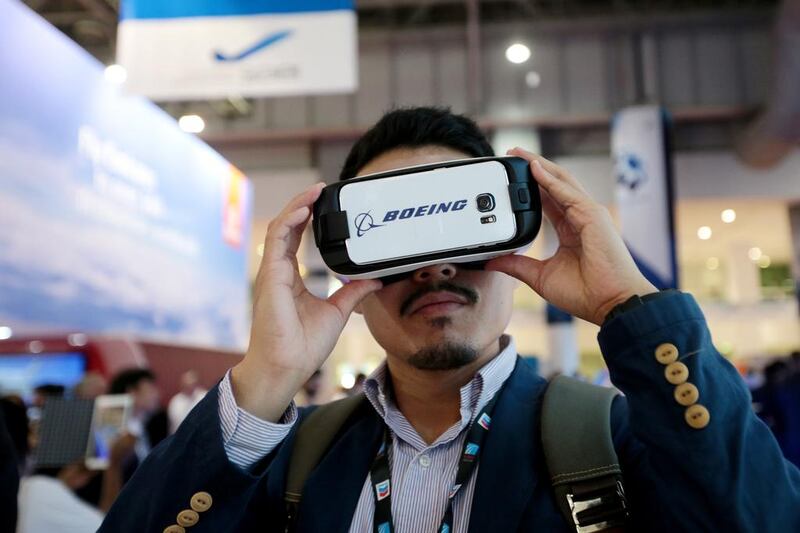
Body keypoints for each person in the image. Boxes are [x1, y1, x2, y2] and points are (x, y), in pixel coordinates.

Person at [100, 107, 800, 532]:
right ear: (352, 271)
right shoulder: (286, 464)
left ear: (512, 240)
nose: (435, 268)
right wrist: (265, 377)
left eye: (459, 233)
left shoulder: (618, 440)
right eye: (400, 241)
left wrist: (631, 310)